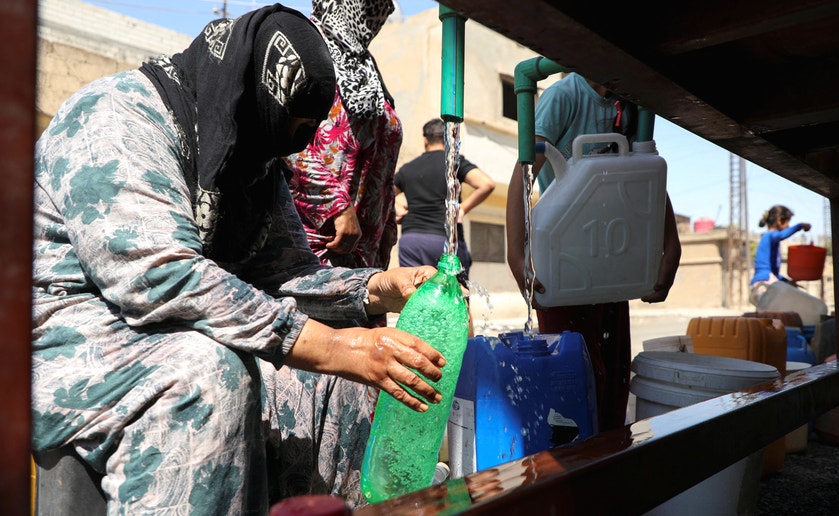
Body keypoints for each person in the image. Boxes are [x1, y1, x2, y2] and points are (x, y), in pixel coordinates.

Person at [31, 6, 447, 513]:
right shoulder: (117, 116)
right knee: (209, 374)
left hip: (169, 329)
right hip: (62, 338)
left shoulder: (248, 154)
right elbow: (161, 276)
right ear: (253, 103)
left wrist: (375, 288)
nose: (292, 150)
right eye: (289, 131)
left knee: (353, 384)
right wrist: (337, 345)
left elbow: (285, 273)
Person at [505, 72, 682, 432]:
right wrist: (516, 254)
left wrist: (671, 244)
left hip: (611, 258)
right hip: (564, 256)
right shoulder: (563, 96)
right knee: (570, 379)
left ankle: (608, 466)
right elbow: (523, 173)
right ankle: (570, 470)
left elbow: (645, 174)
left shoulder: (631, 104)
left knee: (612, 379)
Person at [285, 0, 401, 271]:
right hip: (320, 238)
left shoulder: (366, 68)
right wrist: (335, 205)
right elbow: (285, 140)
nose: (382, 10)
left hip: (368, 247)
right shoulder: (304, 49)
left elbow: (382, 154)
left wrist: (388, 219)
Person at [394, 118, 496, 280]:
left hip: (412, 241)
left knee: (414, 295)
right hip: (444, 240)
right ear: (448, 139)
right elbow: (486, 184)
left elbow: (384, 193)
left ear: (425, 140)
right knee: (455, 296)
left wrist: (398, 209)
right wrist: (462, 209)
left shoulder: (407, 168)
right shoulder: (453, 161)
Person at [749, 205, 812, 305]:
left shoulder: (770, 240)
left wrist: (787, 282)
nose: (788, 226)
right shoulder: (770, 236)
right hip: (764, 282)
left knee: (770, 316)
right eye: (788, 222)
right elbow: (781, 235)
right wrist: (799, 226)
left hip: (763, 282)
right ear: (779, 221)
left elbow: (773, 273)